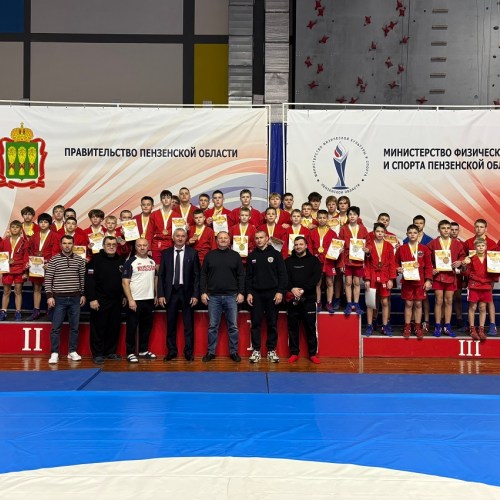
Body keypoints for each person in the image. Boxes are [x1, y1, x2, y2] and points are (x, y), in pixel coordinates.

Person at [200, 231, 245, 362]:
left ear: (229, 240)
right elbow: (203, 275)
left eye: (225, 238)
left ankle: (234, 352)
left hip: (232, 296)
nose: (223, 240)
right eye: (220, 238)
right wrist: (203, 292)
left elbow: (241, 275)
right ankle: (211, 352)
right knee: (213, 326)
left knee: (233, 327)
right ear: (217, 240)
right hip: (213, 297)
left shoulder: (235, 256)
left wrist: (241, 292)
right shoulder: (209, 255)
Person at [158, 228, 200, 361]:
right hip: (170, 293)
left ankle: (188, 352)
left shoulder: (193, 253)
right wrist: (161, 294)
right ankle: (172, 351)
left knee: (188, 325)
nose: (180, 238)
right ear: (173, 237)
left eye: (183, 236)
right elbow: (161, 275)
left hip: (187, 292)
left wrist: (195, 295)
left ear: (186, 238)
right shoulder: (166, 253)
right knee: (171, 324)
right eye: (178, 236)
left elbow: (196, 276)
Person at [246, 230, 288, 363]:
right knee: (255, 323)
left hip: (273, 294)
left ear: (267, 238)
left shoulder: (276, 254)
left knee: (272, 323)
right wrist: (249, 292)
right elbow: (248, 277)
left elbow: (282, 275)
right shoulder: (252, 256)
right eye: (257, 238)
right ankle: (256, 350)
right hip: (256, 294)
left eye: (261, 237)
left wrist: (280, 291)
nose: (259, 240)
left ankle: (271, 350)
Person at [46, 235, 86, 363]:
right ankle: (54, 353)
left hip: (75, 298)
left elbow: (82, 279)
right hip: (59, 299)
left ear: (73, 244)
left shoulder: (80, 260)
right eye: (64, 243)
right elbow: (48, 279)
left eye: (69, 243)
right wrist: (49, 296)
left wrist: (83, 294)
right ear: (61, 244)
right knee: (56, 328)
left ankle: (72, 351)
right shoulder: (54, 260)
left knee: (74, 327)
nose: (67, 245)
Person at [85, 236, 125, 364]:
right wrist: (92, 298)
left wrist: (124, 296)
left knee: (113, 327)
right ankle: (97, 354)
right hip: (99, 300)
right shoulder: (95, 260)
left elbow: (124, 281)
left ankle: (110, 352)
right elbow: (89, 280)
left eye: (114, 244)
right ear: (103, 246)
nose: (111, 247)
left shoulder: (120, 260)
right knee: (98, 328)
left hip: (116, 300)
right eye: (108, 244)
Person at [285, 236, 322, 364]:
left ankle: (312, 354)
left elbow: (316, 278)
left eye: (301, 244)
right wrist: (292, 288)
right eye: (296, 245)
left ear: (306, 246)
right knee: (292, 328)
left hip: (309, 299)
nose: (298, 247)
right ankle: (294, 353)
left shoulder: (314, 261)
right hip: (293, 300)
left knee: (311, 328)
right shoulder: (288, 261)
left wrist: (303, 290)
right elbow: (284, 278)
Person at [427, 220, 466, 337]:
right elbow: (427, 259)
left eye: (448, 228)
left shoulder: (457, 244)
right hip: (438, 276)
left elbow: (462, 257)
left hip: (450, 276)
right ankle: (438, 326)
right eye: (443, 228)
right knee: (438, 300)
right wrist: (432, 268)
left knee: (449, 301)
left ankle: (447, 326)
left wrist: (460, 262)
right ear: (438, 230)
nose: (446, 230)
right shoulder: (433, 243)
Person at [122, 238, 158, 363]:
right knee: (132, 327)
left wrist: (156, 294)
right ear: (135, 247)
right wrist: (130, 299)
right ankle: (130, 352)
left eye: (144, 245)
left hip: (149, 300)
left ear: (148, 246)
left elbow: (155, 278)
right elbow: (125, 282)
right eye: (139, 245)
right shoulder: (130, 262)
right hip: (135, 300)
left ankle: (143, 350)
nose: (142, 247)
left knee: (146, 327)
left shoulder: (152, 261)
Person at [395, 224, 433, 339]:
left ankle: (417, 326)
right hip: (407, 281)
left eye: (415, 233)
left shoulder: (424, 249)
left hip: (420, 281)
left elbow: (428, 266)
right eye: (410, 233)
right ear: (407, 234)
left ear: (418, 234)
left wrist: (428, 280)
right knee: (408, 304)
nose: (412, 235)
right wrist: (397, 268)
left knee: (418, 304)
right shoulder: (401, 249)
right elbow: (395, 263)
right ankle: (407, 326)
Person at [464, 219, 497, 335]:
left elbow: (496, 262)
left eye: (481, 227)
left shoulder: (492, 243)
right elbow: (465, 261)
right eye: (477, 226)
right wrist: (464, 265)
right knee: (472, 305)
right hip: (473, 281)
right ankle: (471, 327)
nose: (479, 229)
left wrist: (494, 278)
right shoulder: (468, 242)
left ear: (486, 229)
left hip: (487, 279)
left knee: (487, 303)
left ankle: (492, 325)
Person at [364, 223, 396, 336]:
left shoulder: (389, 246)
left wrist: (391, 279)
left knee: (385, 301)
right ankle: (369, 325)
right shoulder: (369, 245)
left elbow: (392, 263)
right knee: (370, 302)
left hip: (385, 276)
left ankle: (385, 326)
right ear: (374, 232)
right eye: (378, 231)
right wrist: (367, 279)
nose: (380, 233)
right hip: (372, 274)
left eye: (382, 232)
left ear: (385, 233)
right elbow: (366, 264)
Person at [27, 213, 60, 320]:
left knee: (50, 288)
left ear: (49, 224)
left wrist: (51, 263)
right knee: (36, 288)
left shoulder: (55, 236)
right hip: (36, 265)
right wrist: (29, 261)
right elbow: (29, 250)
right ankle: (36, 311)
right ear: (38, 223)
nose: (43, 224)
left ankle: (50, 309)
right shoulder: (34, 236)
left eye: (45, 222)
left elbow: (56, 252)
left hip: (49, 265)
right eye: (41, 222)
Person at [339, 206, 369, 315]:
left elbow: (368, 243)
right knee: (348, 282)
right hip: (347, 260)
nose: (352, 216)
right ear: (347, 216)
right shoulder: (343, 229)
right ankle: (349, 303)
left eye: (354, 214)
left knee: (356, 282)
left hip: (359, 260)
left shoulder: (363, 229)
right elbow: (340, 245)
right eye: (350, 214)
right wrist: (341, 262)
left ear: (358, 216)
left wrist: (367, 249)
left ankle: (356, 304)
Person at [308, 209, 337, 312]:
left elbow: (335, 246)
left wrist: (338, 251)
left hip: (328, 261)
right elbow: (309, 247)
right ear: (316, 219)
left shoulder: (333, 233)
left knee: (330, 282)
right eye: (320, 218)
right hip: (316, 261)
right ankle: (318, 302)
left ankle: (329, 303)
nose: (322, 220)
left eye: (324, 218)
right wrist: (312, 259)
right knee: (318, 283)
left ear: (327, 219)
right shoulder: (312, 232)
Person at [0, 220, 29, 321]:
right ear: (10, 229)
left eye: (17, 227)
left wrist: (25, 272)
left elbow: (26, 257)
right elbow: (1, 254)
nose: (15, 229)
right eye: (13, 227)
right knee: (6, 291)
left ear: (21, 229)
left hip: (19, 269)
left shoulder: (24, 242)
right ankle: (3, 311)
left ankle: (18, 312)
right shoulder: (5, 241)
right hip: (7, 269)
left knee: (18, 291)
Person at [146, 190, 181, 264]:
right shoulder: (154, 214)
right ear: (161, 200)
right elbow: (149, 232)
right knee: (156, 267)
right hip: (156, 245)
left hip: (170, 244)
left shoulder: (177, 216)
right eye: (163, 198)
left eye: (168, 198)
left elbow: (179, 233)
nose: (166, 200)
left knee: (169, 267)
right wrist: (148, 248)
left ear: (171, 200)